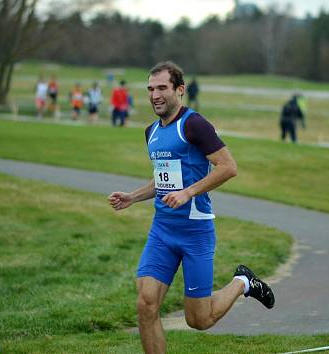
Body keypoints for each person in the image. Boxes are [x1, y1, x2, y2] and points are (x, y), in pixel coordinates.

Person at [108, 61, 274, 354]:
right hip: (162, 231)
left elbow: (228, 167)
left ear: (179, 90)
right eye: (150, 89)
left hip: (195, 232)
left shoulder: (194, 124)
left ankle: (242, 282)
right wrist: (133, 196)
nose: (155, 95)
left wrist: (189, 192)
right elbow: (165, 179)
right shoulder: (151, 132)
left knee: (199, 319)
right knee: (146, 304)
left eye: (162, 88)